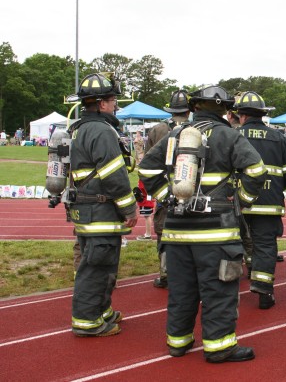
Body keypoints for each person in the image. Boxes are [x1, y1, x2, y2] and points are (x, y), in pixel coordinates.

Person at [138, 85, 266, 363]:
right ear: (226, 110)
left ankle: (178, 342)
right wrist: (241, 202)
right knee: (218, 291)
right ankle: (219, 347)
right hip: (216, 232)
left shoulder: (175, 135)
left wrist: (167, 198)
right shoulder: (229, 136)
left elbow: (146, 168)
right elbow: (256, 171)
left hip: (176, 231)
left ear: (194, 107)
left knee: (181, 291)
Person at [67, 73, 138, 337]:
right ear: (100, 103)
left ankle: (102, 310)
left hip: (90, 210)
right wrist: (129, 208)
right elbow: (113, 175)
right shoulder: (100, 130)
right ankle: (88, 322)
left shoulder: (82, 128)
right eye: (112, 99)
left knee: (103, 265)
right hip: (100, 211)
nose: (116, 104)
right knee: (96, 268)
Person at [235, 91, 286, 309]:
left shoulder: (234, 135)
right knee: (265, 245)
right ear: (262, 114)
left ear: (241, 115)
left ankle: (229, 290)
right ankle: (263, 289)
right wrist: (277, 186)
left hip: (239, 203)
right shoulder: (278, 137)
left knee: (234, 243)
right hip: (269, 203)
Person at [144, 89, 191, 288]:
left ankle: (166, 275)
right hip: (191, 189)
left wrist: (161, 193)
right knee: (192, 231)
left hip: (165, 190)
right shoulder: (198, 128)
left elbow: (147, 162)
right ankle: (189, 273)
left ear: (171, 110)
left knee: (164, 232)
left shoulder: (157, 130)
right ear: (189, 111)